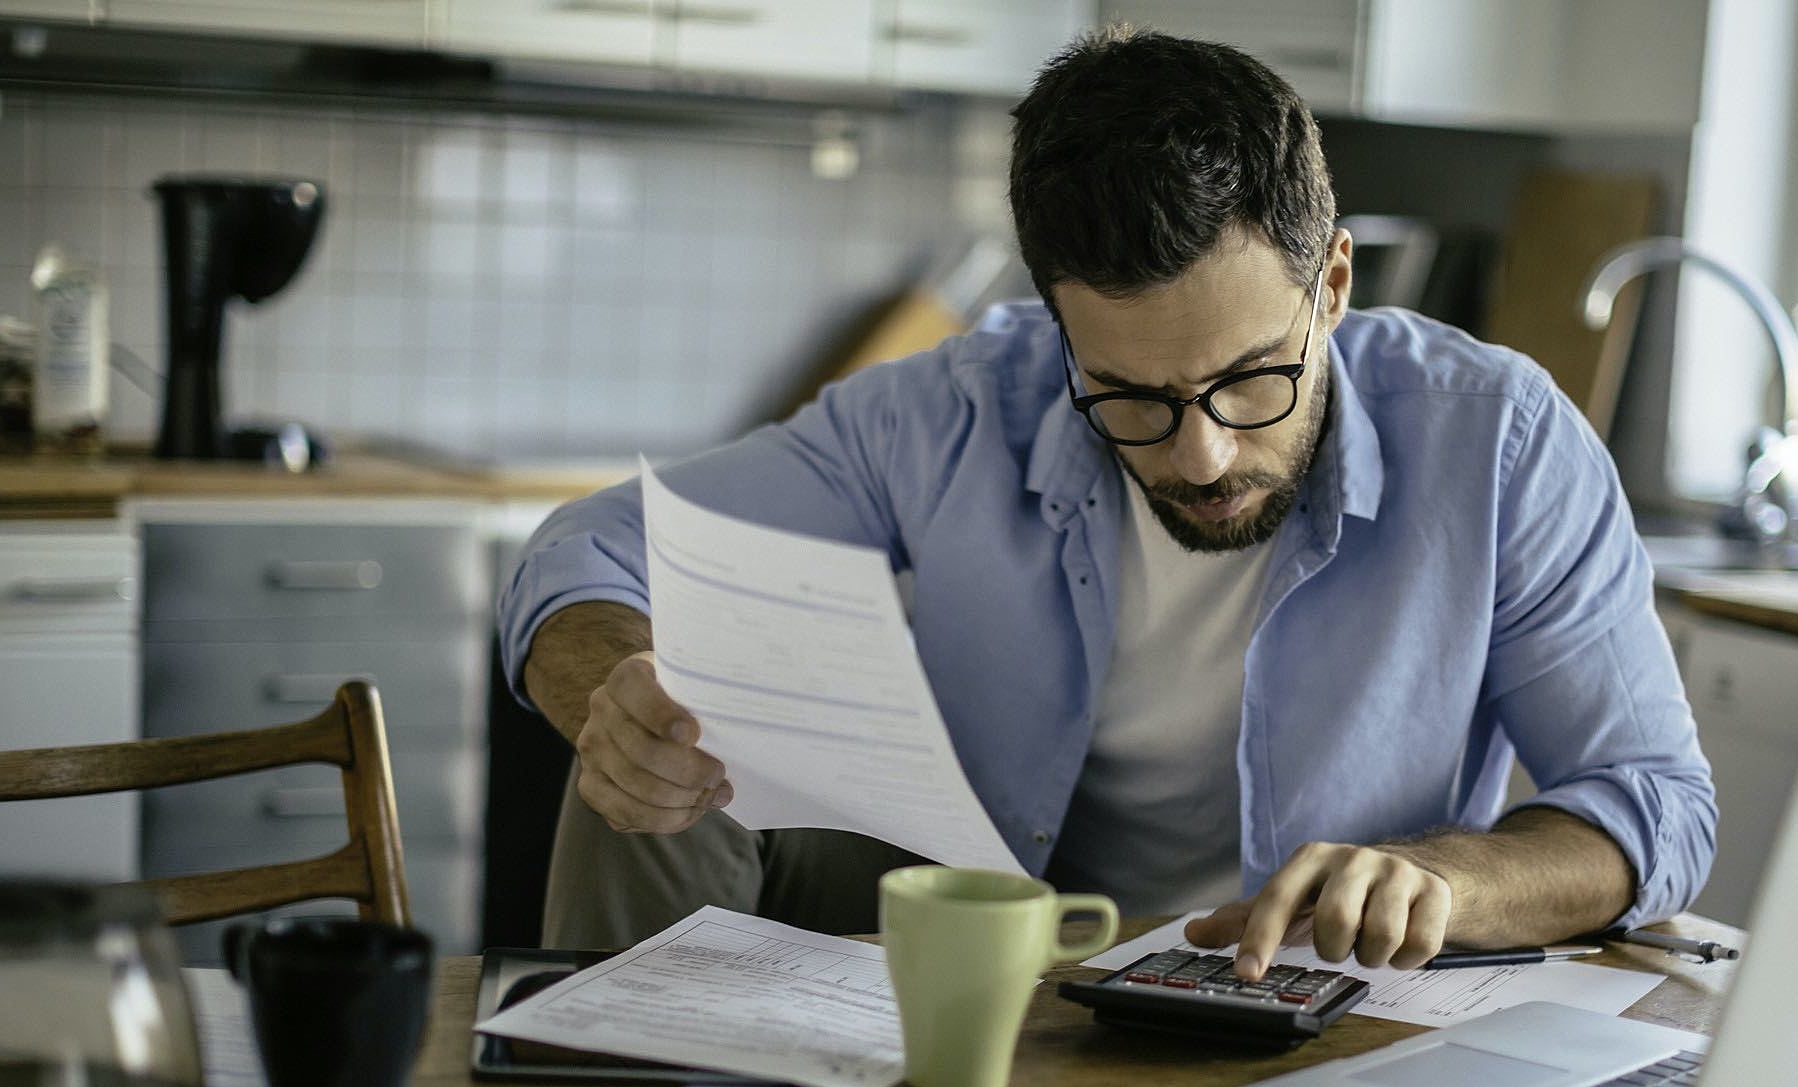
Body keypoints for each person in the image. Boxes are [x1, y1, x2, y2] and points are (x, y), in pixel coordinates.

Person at [499, 28, 1716, 978]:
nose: (1197, 453)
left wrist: (1444, 881)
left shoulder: (1499, 438)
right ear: (1059, 330)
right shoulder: (961, 406)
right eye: (1128, 395)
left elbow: (1654, 805)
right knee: (658, 711)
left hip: (1296, 985)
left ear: (1332, 280)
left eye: (1251, 381)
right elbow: (587, 545)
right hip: (987, 925)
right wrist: (616, 688)